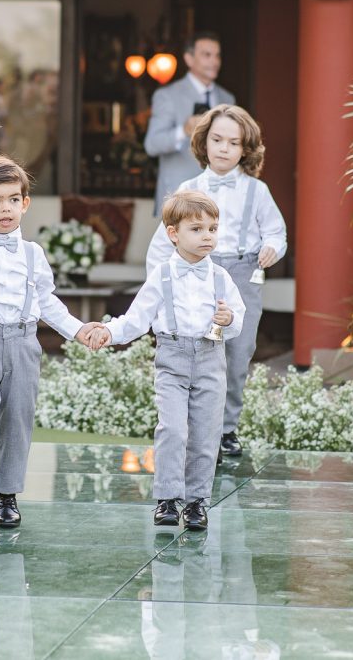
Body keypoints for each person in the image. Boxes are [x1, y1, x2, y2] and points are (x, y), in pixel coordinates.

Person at [0, 155, 97, 535]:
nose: (5, 208)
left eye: (13, 200)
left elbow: (48, 302)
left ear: (25, 204)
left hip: (24, 345)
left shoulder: (33, 255)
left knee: (17, 422)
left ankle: (7, 494)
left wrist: (78, 330)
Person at [88, 191, 245, 530]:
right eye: (197, 229)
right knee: (172, 428)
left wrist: (229, 319)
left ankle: (196, 502)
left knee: (206, 433)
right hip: (172, 357)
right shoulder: (161, 276)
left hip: (210, 357)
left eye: (213, 229)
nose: (207, 236)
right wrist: (108, 332)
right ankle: (167, 499)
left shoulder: (221, 277)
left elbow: (238, 321)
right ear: (174, 234)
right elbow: (135, 319)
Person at [146, 105, 287, 460]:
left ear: (245, 149)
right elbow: (163, 242)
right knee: (199, 351)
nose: (224, 148)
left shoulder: (257, 190)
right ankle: (198, 429)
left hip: (242, 273)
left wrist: (272, 246)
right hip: (198, 271)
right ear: (203, 143)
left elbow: (276, 230)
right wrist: (159, 289)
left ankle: (226, 429)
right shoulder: (188, 189)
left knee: (238, 351)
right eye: (217, 140)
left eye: (233, 142)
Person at [143, 32, 235, 215]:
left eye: (217, 55)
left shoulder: (227, 98)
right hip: (178, 199)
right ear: (189, 59)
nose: (214, 61)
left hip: (219, 199)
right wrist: (183, 130)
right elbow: (152, 145)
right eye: (206, 55)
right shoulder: (167, 95)